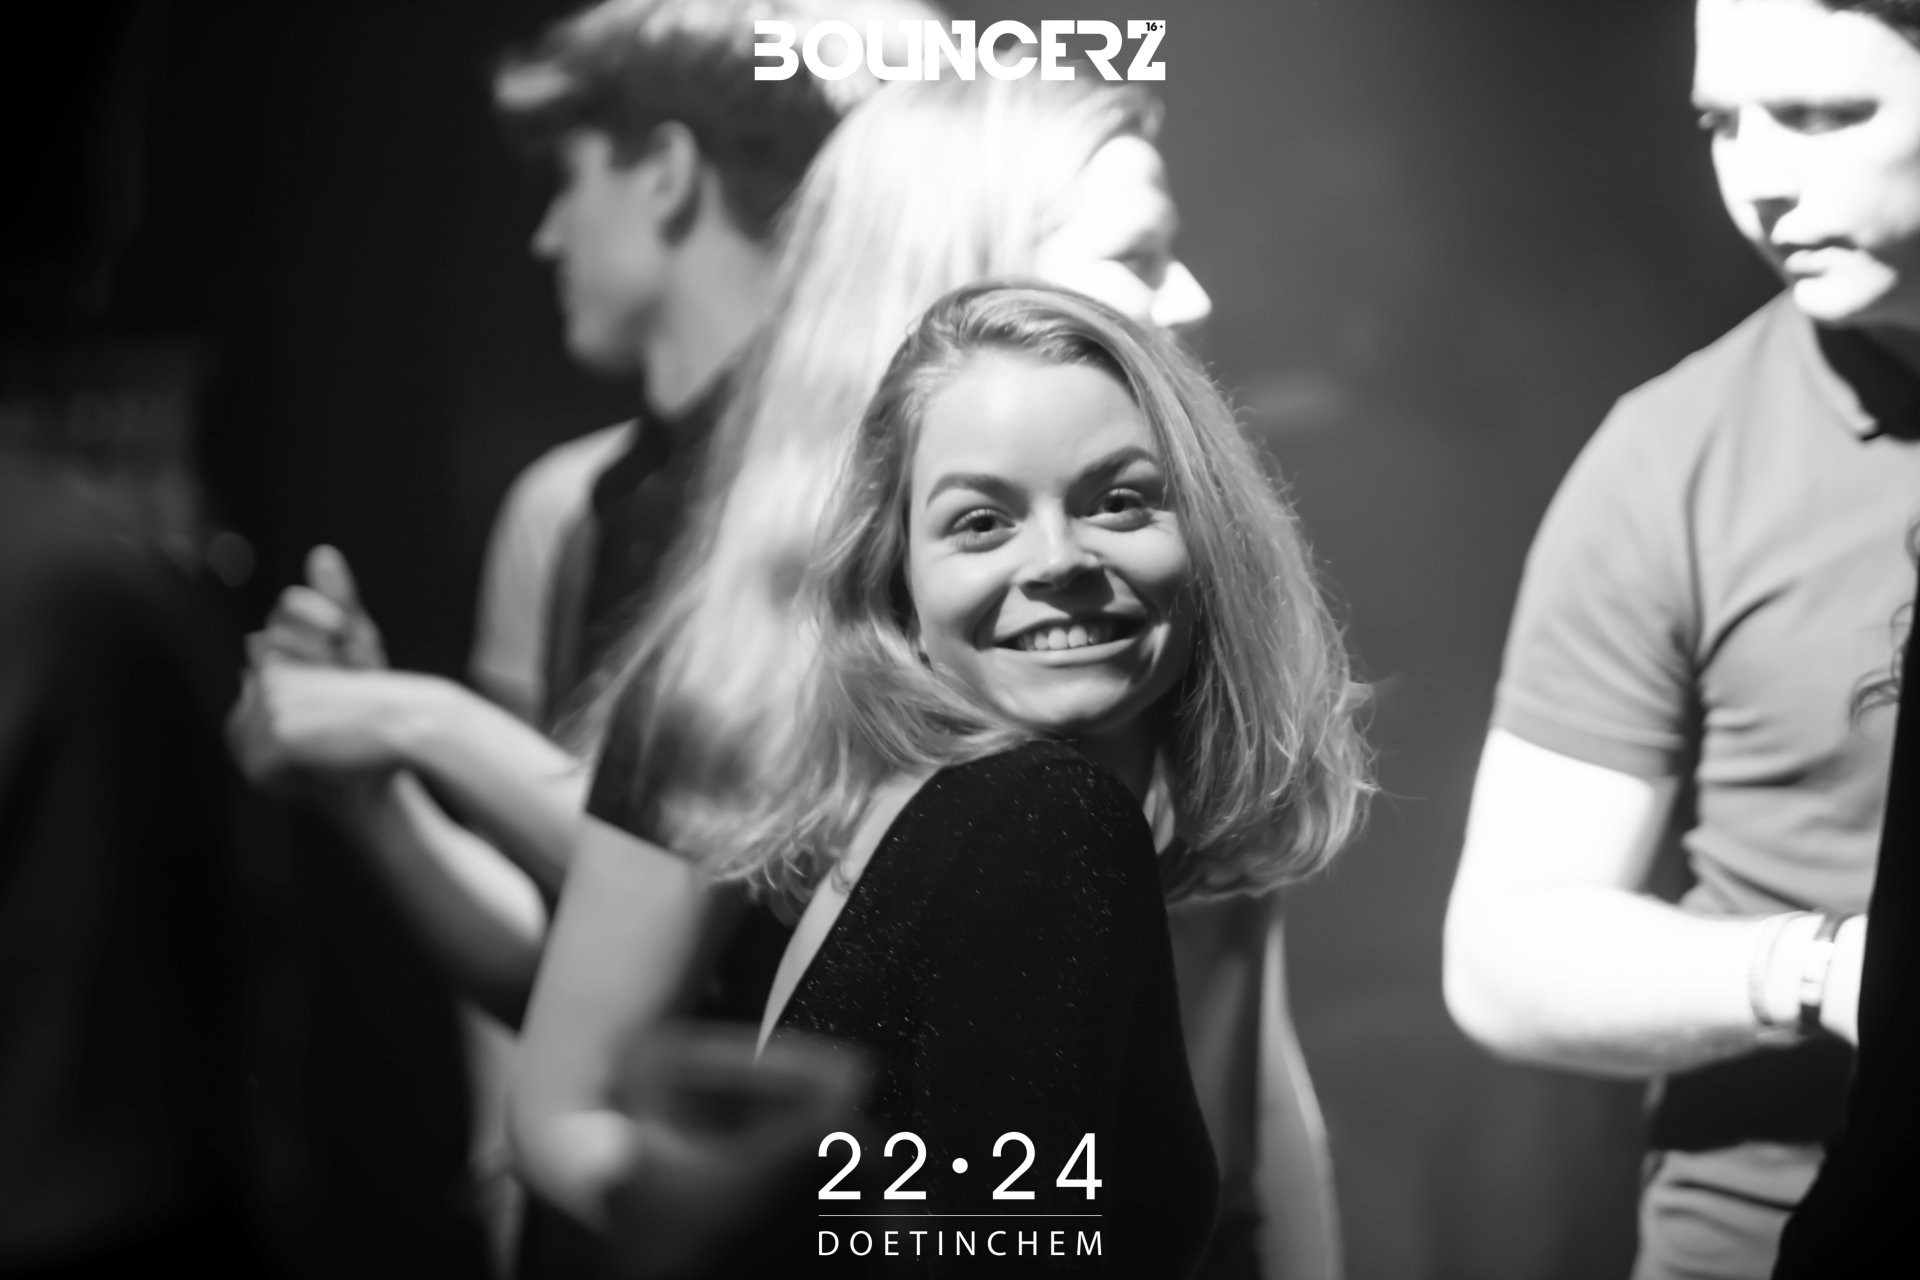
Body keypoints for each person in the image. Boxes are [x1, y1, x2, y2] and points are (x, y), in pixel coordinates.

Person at [510, 77, 1368, 1278]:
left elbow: (1235, 1136)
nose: (1189, 295)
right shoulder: (970, 773)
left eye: (1121, 500)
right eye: (1136, 255)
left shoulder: (1140, 701)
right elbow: (572, 1094)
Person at [226, 0, 926, 1271]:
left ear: (665, 173)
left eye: (568, 179)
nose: (546, 234)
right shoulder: (576, 508)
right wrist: (377, 794)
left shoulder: (865, 493)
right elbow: (583, 958)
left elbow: (757, 863)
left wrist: (415, 717)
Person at [1442, 2, 1920, 1276]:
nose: (1759, 178)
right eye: (1722, 123)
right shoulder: (1671, 460)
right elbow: (1504, 953)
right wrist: (1828, 970)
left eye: (1824, 115)